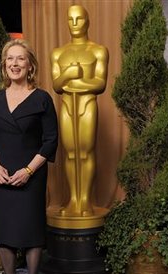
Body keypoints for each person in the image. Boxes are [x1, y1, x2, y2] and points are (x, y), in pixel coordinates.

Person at [0, 38, 58, 274]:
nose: (14, 64)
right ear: (5, 65)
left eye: (20, 59)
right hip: (1, 174)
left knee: (32, 233)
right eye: (10, 59)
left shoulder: (41, 99)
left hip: (31, 174)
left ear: (30, 65)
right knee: (5, 232)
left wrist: (28, 171)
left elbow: (50, 141)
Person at [51, 4, 109, 216]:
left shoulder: (98, 50)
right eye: (71, 20)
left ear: (88, 21)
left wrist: (74, 83)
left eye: (80, 19)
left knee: (85, 152)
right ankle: (73, 199)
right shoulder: (58, 53)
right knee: (70, 153)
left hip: (87, 105)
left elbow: (100, 84)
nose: (75, 24)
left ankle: (85, 200)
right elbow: (57, 85)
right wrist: (69, 75)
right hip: (67, 105)